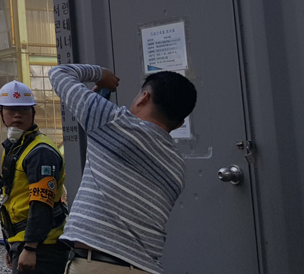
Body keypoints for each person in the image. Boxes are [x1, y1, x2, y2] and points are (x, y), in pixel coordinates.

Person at [50, 64, 197, 274]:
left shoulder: (113, 121)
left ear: (143, 98)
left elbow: (59, 73)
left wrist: (102, 76)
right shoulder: (177, 167)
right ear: (179, 122)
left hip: (98, 266)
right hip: (145, 268)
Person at [0, 82, 67, 274]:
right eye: (11, 110)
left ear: (33, 113)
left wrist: (29, 248)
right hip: (25, 241)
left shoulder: (40, 152)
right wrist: (11, 245)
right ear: (1, 113)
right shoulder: (17, 147)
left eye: (23, 110)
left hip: (43, 247)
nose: (17, 115)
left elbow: (41, 203)